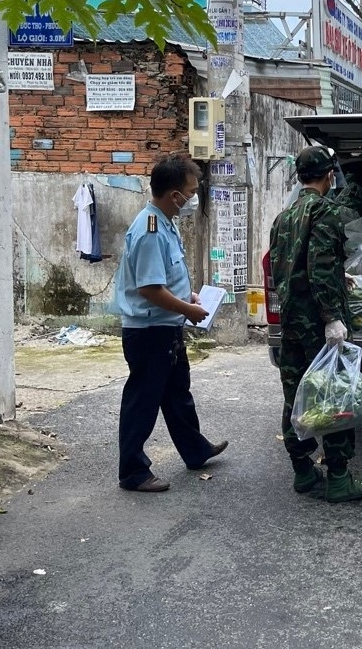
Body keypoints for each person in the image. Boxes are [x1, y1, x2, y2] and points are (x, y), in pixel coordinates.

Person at [269, 145, 362, 503]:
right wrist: (332, 317)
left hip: (291, 321)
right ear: (330, 175)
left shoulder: (284, 217)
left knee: (296, 393)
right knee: (334, 395)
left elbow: (286, 268)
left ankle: (303, 471)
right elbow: (318, 266)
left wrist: (337, 274)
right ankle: (338, 477)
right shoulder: (325, 212)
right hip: (318, 321)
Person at [114, 154, 228, 492]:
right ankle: (133, 472)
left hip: (166, 326)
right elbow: (149, 289)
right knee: (143, 400)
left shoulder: (165, 221)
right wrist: (188, 310)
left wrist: (189, 297)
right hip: (150, 331)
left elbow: (166, 277)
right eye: (190, 193)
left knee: (177, 393)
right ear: (172, 193)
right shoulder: (150, 229)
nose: (193, 199)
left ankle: (195, 450)